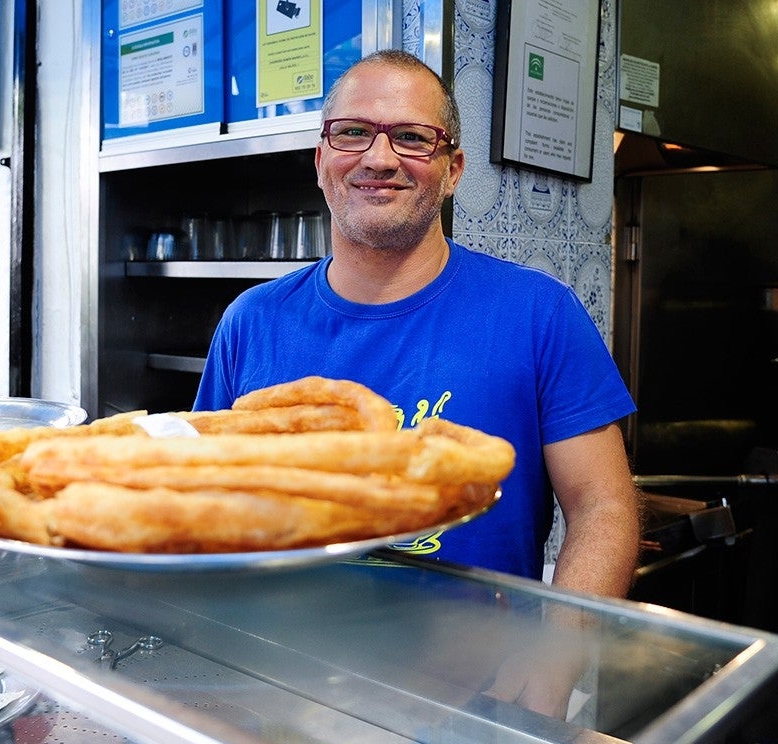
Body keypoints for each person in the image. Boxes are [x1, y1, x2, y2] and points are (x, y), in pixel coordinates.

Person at [194, 50, 640, 602]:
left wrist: (557, 657)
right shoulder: (250, 321)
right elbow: (204, 494)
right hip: (280, 665)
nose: (379, 158)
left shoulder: (539, 313)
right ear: (319, 161)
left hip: (473, 679)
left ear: (454, 170)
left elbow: (603, 507)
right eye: (352, 132)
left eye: (411, 137)